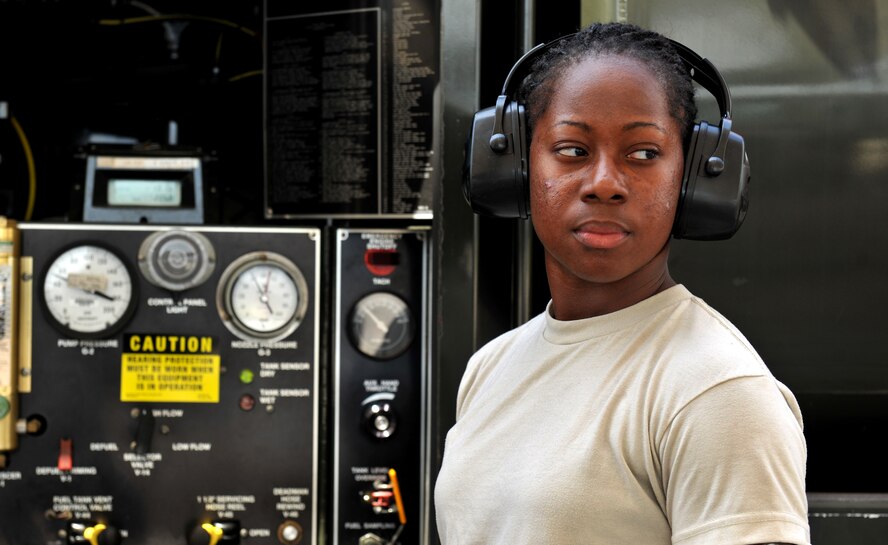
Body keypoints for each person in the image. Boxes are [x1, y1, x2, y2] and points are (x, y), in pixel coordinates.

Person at [434, 22, 809, 545]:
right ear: (515, 167)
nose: (605, 183)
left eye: (643, 154)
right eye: (571, 149)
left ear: (694, 178)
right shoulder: (489, 369)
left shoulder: (716, 392)